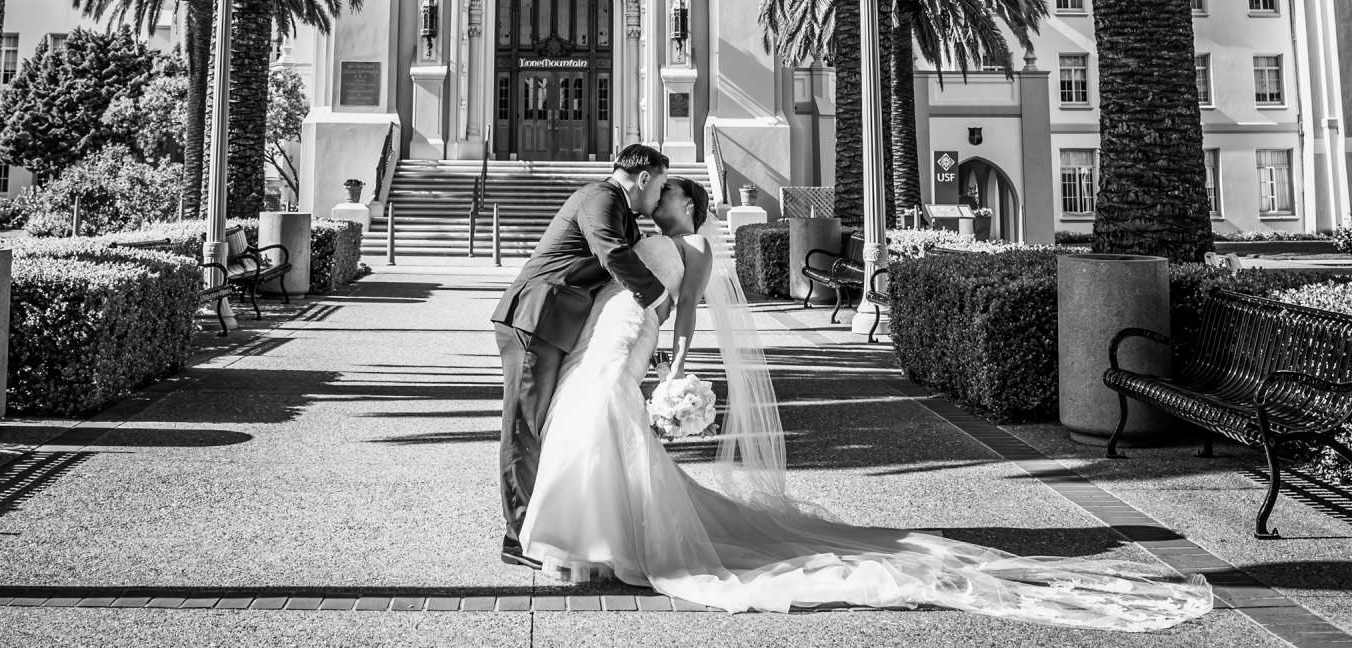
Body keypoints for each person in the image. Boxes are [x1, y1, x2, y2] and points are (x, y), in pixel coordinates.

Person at [518, 178, 1216, 628]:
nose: (658, 198)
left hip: (629, 346)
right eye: (657, 189)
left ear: (689, 208)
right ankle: (596, 539)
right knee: (602, 432)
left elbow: (684, 308)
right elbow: (617, 263)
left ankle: (603, 541)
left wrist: (674, 361)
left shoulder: (690, 245)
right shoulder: (652, 235)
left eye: (668, 193)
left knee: (607, 432)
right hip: (616, 345)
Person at [490, 142, 673, 569]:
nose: (660, 197)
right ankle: (517, 539)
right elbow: (612, 253)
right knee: (524, 427)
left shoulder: (623, 212)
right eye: (660, 185)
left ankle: (538, 527)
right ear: (643, 177)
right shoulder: (601, 197)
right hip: (534, 320)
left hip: (558, 325)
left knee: (542, 425)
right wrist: (660, 298)